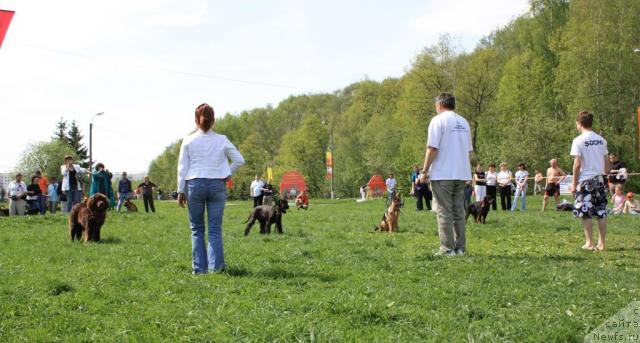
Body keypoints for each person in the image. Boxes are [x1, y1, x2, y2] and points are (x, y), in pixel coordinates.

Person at [177, 103, 245, 274]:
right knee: (215, 229)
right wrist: (226, 173)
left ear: (195, 120)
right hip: (217, 185)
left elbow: (182, 168)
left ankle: (199, 270)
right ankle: (217, 269)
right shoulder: (222, 139)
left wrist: (180, 190)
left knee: (197, 229)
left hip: (195, 184)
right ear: (213, 120)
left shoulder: (188, 140)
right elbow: (239, 160)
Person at [420, 93, 472, 256]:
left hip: (443, 173)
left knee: (444, 211)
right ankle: (460, 248)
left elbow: (433, 148)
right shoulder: (464, 122)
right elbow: (468, 150)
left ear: (440, 104)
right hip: (461, 173)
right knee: (459, 211)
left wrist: (425, 170)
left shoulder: (438, 120)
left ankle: (447, 249)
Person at [570, 111, 609, 251]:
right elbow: (606, 162)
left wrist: (574, 184)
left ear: (579, 123)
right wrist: (606, 176)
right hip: (600, 180)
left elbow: (577, 164)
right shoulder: (601, 140)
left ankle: (589, 243)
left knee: (585, 212)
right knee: (601, 212)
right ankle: (602, 244)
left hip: (586, 181)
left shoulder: (578, 140)